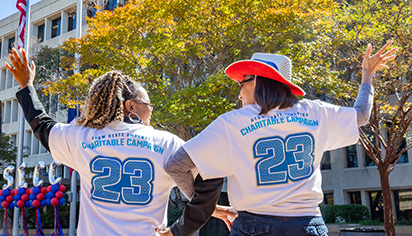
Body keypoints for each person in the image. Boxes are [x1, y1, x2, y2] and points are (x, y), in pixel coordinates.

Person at [161, 41, 397, 236]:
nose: (239, 91)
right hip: (309, 226)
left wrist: (207, 206)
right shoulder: (316, 112)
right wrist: (367, 74)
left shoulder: (232, 123)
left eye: (242, 82)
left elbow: (175, 165)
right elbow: (362, 115)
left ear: (259, 81)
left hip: (254, 227)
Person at [6, 48, 227, 236]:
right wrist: (183, 227)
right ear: (130, 106)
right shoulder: (167, 143)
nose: (151, 110)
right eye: (148, 104)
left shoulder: (81, 137)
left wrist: (26, 85)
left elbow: (41, 124)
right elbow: (210, 178)